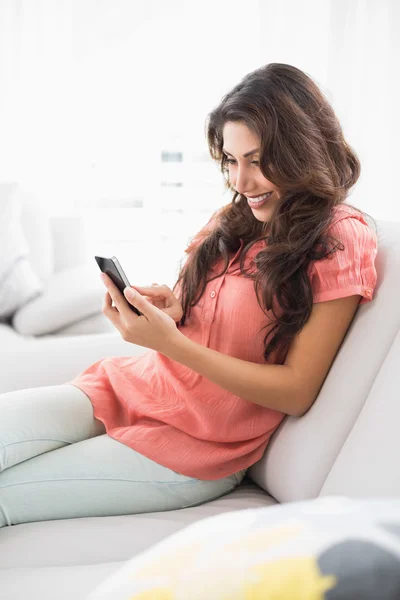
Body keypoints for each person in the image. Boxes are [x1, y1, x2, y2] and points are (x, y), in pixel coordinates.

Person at [0, 63, 378, 527]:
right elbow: (218, 317)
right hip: (132, 388)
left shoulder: (340, 237)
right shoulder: (236, 217)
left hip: (197, 448)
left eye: (258, 161)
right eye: (232, 161)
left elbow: (298, 391)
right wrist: (178, 310)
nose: (241, 182)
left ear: (302, 150)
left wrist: (172, 344)